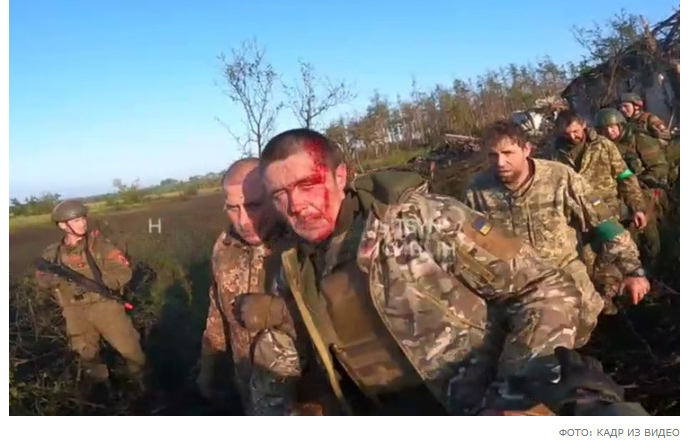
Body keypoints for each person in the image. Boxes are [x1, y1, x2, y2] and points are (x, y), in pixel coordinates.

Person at [247, 127, 585, 416]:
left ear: (340, 176)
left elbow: (544, 288)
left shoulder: (418, 219)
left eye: (307, 184)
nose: (295, 206)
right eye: (279, 195)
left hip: (481, 406)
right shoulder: (292, 270)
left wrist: (516, 396)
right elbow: (279, 361)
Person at [461, 120, 649, 347]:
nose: (500, 162)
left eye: (508, 153)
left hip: (564, 272)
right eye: (493, 155)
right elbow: (469, 243)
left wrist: (633, 270)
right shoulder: (477, 190)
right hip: (515, 284)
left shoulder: (559, 177)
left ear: (526, 149)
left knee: (585, 329)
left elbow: (604, 223)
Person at [196, 157, 328, 416]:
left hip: (305, 399)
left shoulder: (304, 243)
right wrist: (208, 368)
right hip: (249, 392)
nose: (243, 221)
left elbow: (337, 317)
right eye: (232, 208)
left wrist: (280, 312)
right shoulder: (224, 246)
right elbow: (217, 312)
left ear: (275, 197)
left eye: (253, 205)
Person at [34, 199, 146, 392]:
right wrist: (53, 280)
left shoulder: (100, 245)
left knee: (129, 348)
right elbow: (41, 280)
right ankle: (101, 391)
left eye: (83, 218)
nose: (83, 223)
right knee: (86, 353)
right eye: (77, 220)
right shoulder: (52, 254)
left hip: (105, 306)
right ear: (63, 225)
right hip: (74, 311)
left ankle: (142, 385)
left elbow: (123, 272)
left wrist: (99, 285)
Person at [543, 111, 649, 313]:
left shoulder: (603, 145)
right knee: (589, 269)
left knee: (619, 260)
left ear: (583, 124)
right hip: (576, 221)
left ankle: (629, 308)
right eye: (566, 134)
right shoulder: (553, 153)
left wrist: (637, 208)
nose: (572, 137)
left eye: (575, 131)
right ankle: (604, 310)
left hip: (609, 215)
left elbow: (625, 176)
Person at [594, 108, 670, 271]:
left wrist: (643, 182)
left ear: (621, 126)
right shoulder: (601, 148)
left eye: (613, 127)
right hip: (621, 192)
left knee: (647, 227)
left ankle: (657, 263)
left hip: (647, 188)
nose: (610, 132)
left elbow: (660, 166)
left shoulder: (639, 140)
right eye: (604, 129)